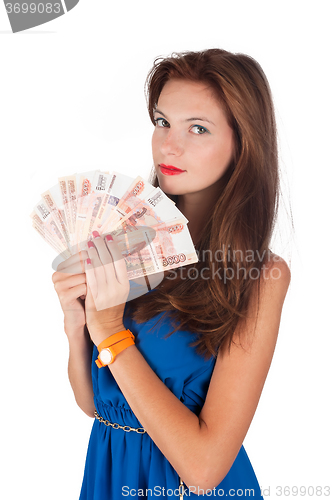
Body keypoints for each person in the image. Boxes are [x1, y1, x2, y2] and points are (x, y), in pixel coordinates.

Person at [52, 48, 291, 499]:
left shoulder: (260, 276)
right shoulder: (123, 240)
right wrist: (75, 325)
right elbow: (96, 407)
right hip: (106, 479)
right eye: (162, 122)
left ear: (243, 143)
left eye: (197, 128)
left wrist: (110, 331)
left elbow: (203, 470)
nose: (169, 146)